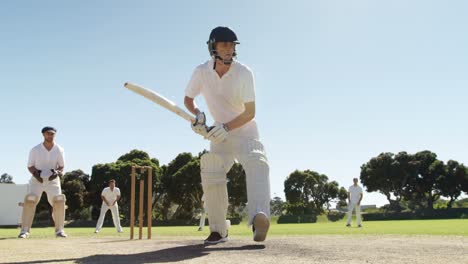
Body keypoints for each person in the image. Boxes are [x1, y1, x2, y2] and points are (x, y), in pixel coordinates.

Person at [184, 26, 271, 244]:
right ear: (213, 46)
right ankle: (218, 230)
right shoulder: (201, 72)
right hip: (220, 136)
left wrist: (227, 127)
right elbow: (188, 99)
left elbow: (250, 113)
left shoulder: (244, 72)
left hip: (246, 131)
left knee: (257, 162)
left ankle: (259, 218)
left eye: (232, 45)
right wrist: (198, 116)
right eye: (224, 44)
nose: (229, 49)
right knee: (211, 168)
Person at [18, 126, 67, 238]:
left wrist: (57, 173)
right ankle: (24, 231)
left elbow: (61, 166)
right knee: (30, 201)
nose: (50, 135)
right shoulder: (35, 149)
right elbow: (30, 166)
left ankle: (59, 230)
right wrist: (36, 174)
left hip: (53, 180)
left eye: (52, 134)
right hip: (37, 180)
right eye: (48, 133)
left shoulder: (59, 149)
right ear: (43, 134)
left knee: (59, 202)